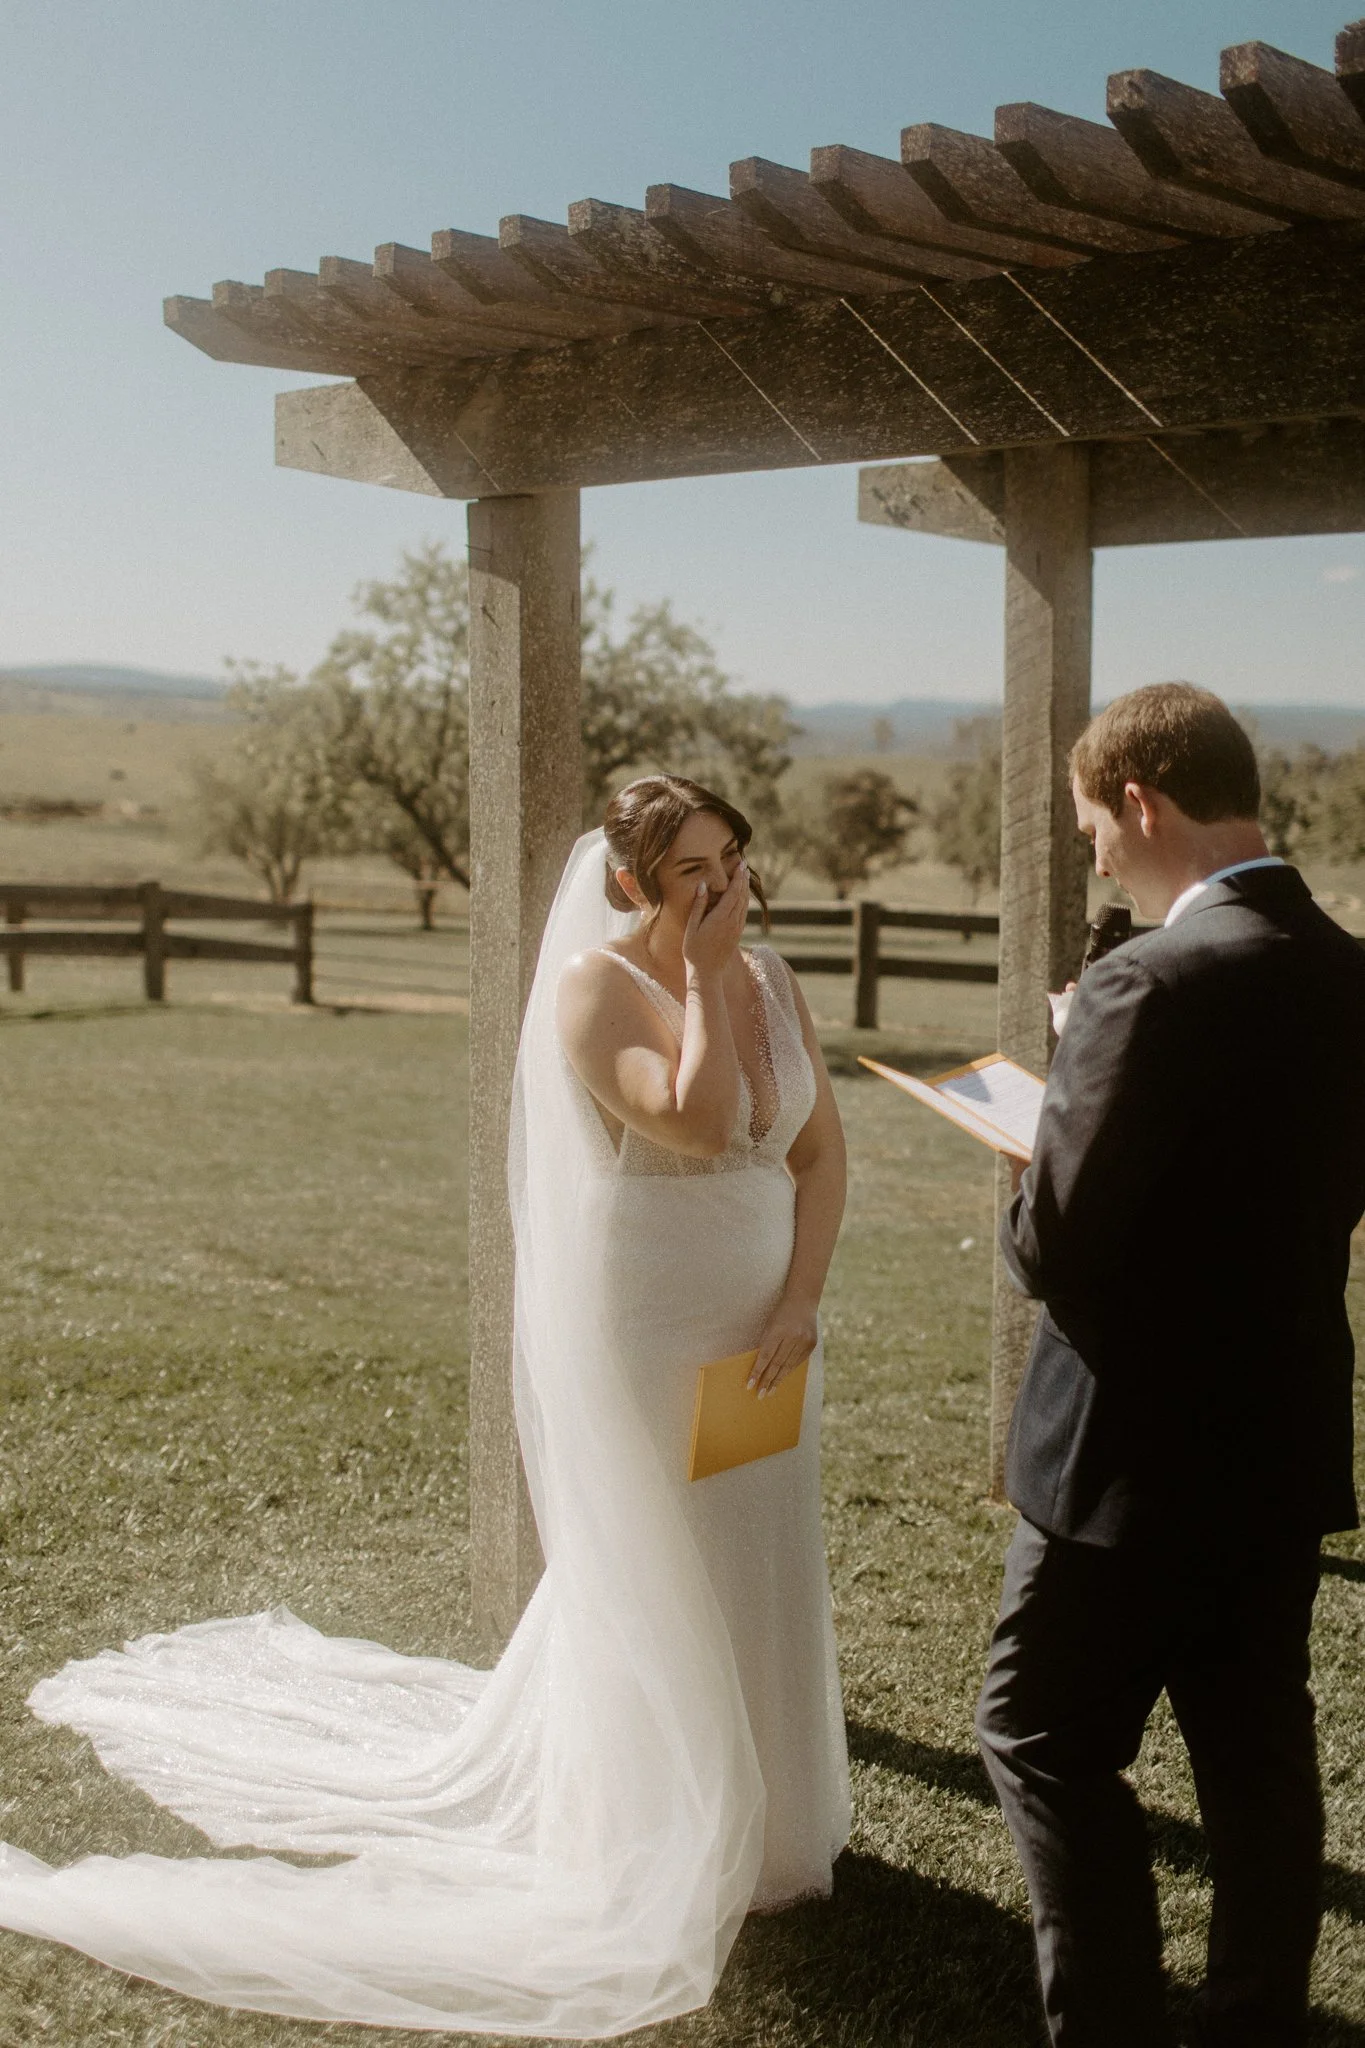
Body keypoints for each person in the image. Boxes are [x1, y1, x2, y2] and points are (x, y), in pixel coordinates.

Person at [0, 776, 850, 2036]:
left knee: (759, 1543)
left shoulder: (773, 976)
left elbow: (820, 1150)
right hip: (656, 1322)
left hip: (767, 1325)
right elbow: (699, 1117)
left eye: (732, 857)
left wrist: (800, 1300)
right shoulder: (595, 989)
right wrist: (698, 979)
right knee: (667, 1551)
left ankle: (776, 1816)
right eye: (690, 869)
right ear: (631, 882)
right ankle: (650, 1815)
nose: (724, 885)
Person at [976, 683, 1365, 2048]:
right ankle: (1256, 2018)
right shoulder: (1347, 969)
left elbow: (1055, 1245)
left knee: (1037, 1734)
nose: (1094, 856)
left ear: (1140, 802)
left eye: (1092, 828)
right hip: (1277, 1433)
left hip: (1125, 1458)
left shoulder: (1142, 981)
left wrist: (1060, 1093)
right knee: (1254, 1745)